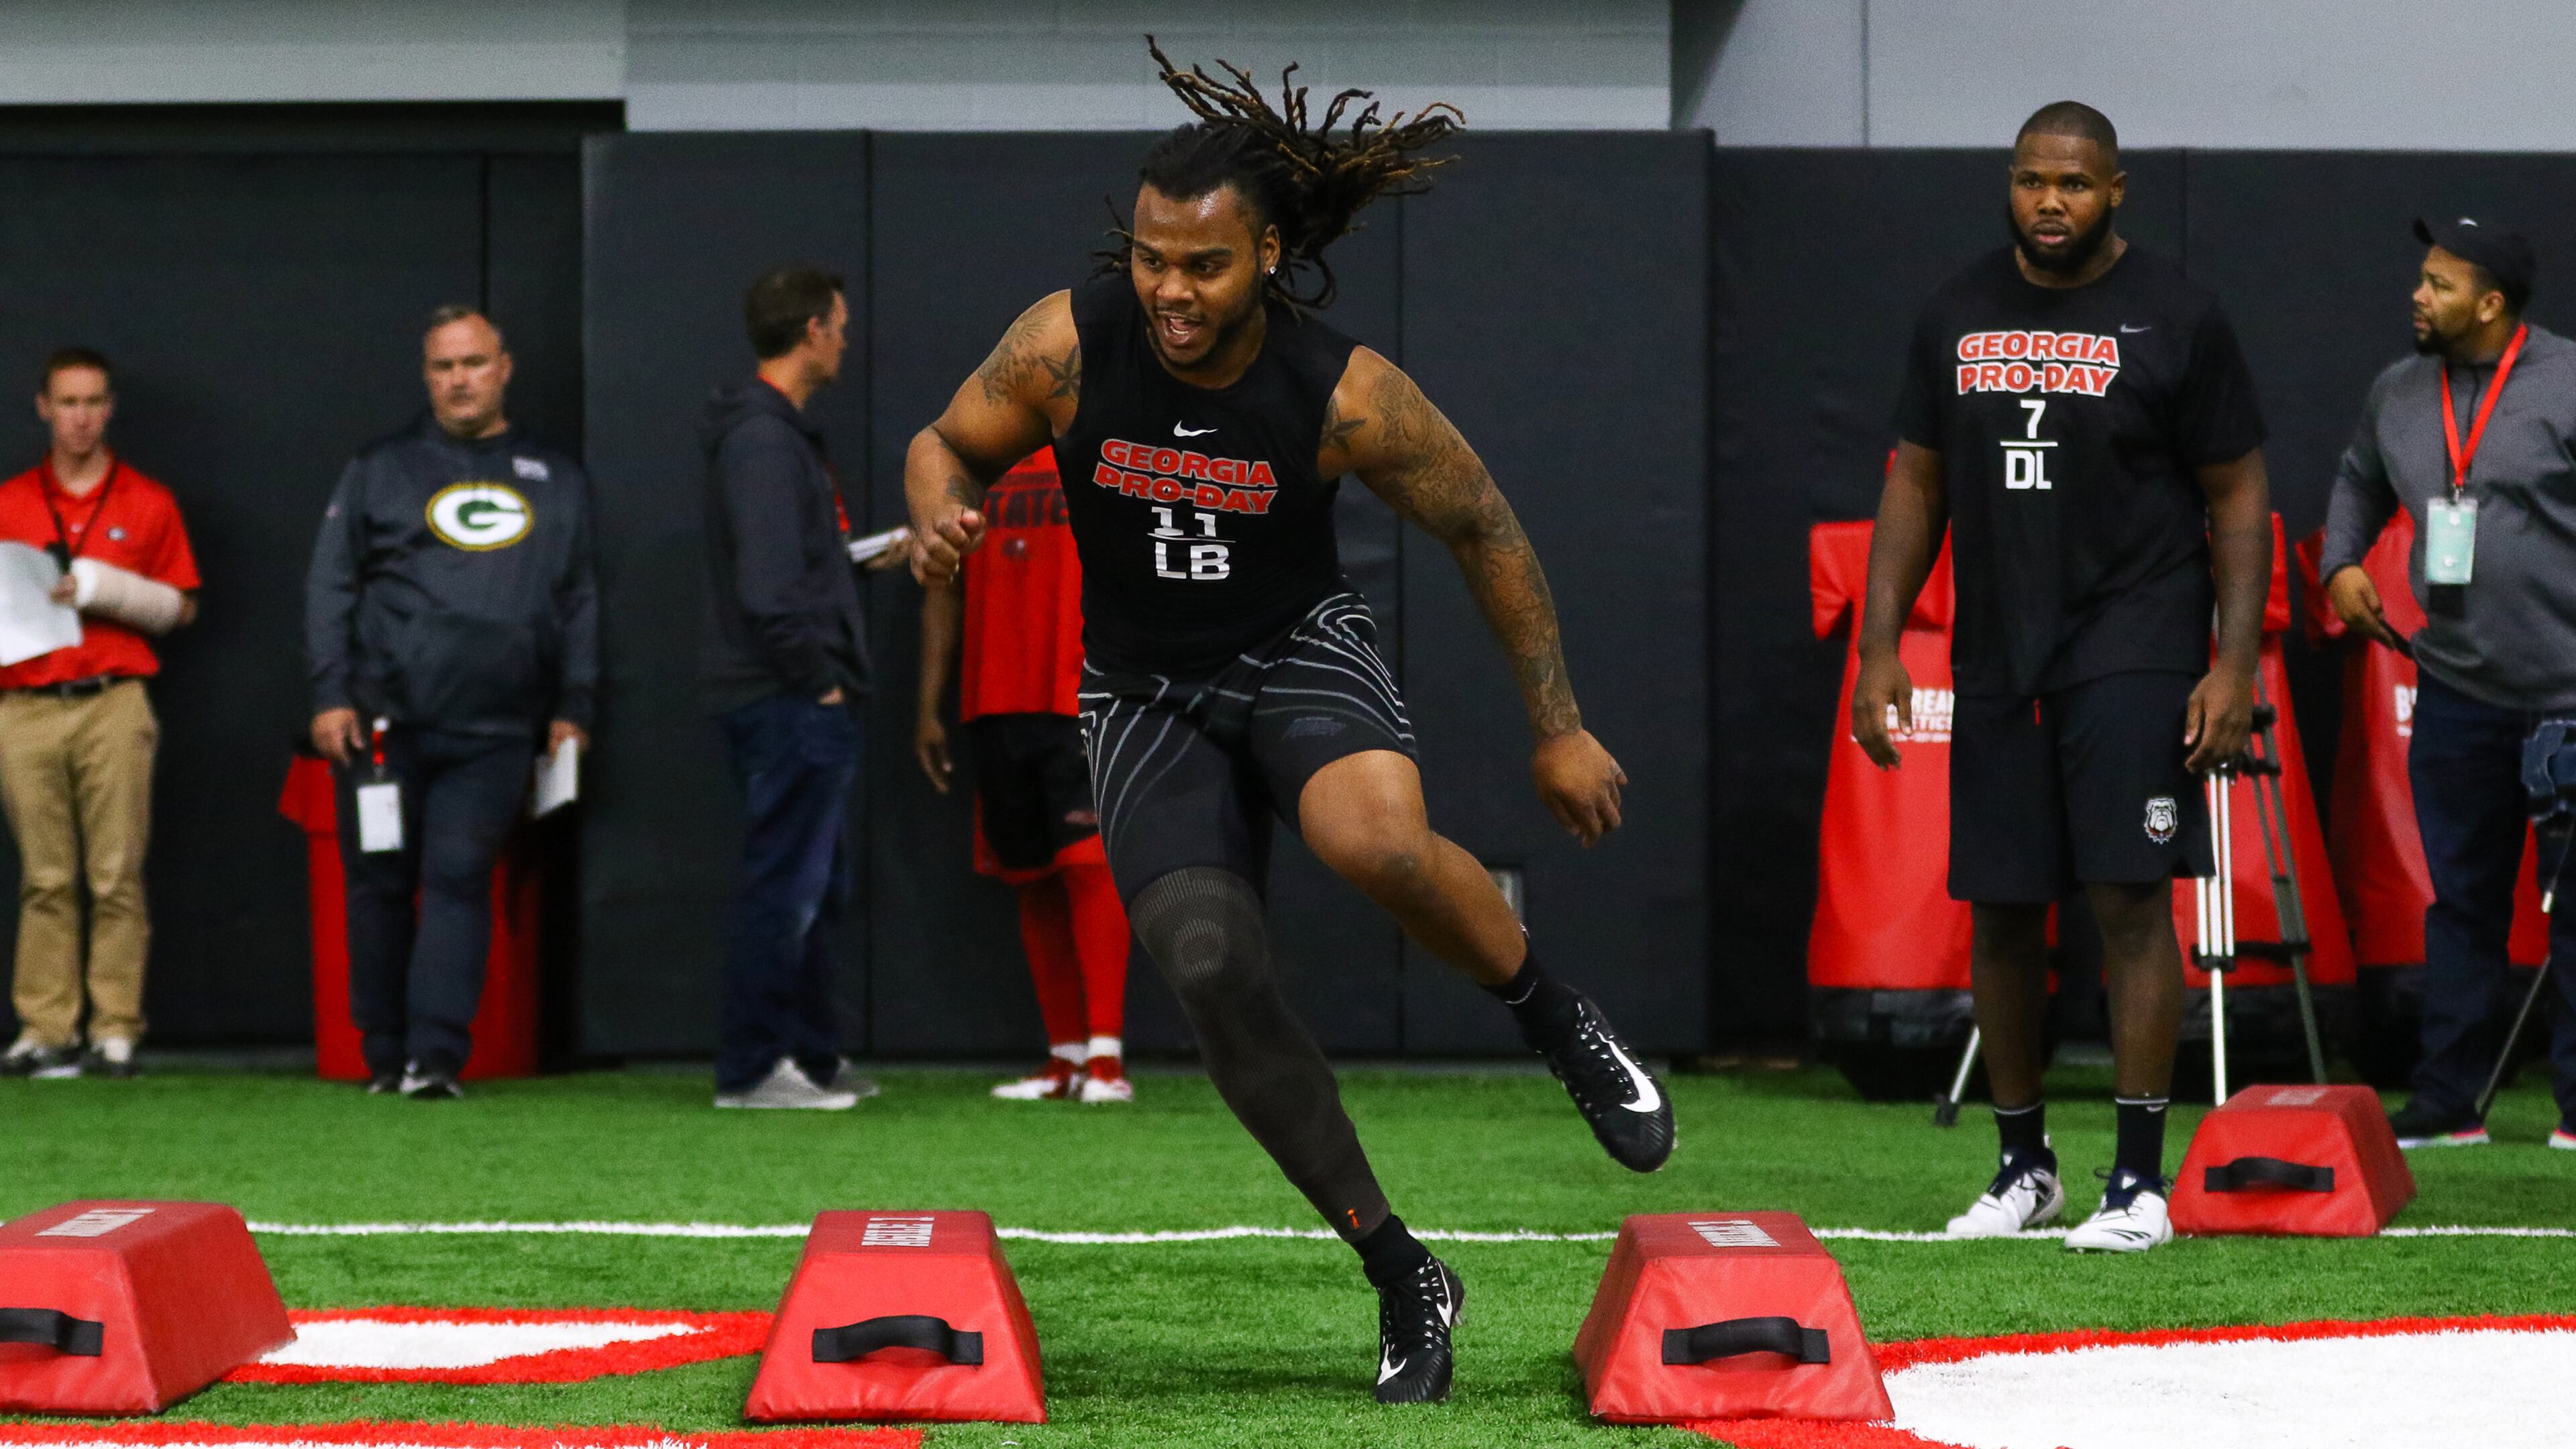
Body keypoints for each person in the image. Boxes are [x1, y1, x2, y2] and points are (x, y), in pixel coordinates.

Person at [904, 45, 1669, 1405]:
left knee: (1375, 842)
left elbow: (1484, 524)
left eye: (1201, 267)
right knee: (1205, 964)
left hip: (1292, 651)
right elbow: (947, 442)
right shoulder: (1069, 347)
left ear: (1266, 254)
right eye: (1150, 260)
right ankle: (1399, 1270)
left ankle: (1557, 1021)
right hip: (1141, 687)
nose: (1170, 293)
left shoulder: (1346, 392)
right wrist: (934, 508)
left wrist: (1557, 724)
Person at [1856, 102, 2272, 1252]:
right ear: (2009, 184)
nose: (2051, 202)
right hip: (2000, 649)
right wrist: (1881, 644)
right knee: (2000, 910)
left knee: (2130, 903)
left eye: (2076, 185)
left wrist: (2230, 665)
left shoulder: (2178, 313)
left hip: (2134, 643)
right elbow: (1916, 483)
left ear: (2117, 191)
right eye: (2034, 181)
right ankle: (2023, 1167)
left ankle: (2137, 1183)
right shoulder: (1958, 308)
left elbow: (2239, 495)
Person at [2322, 217, 2576, 1151]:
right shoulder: (2398, 389)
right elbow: (2357, 479)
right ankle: (2447, 1101)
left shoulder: (2568, 382)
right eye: (2421, 277)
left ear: (2492, 304)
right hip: (2459, 693)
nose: (2418, 296)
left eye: (2439, 283)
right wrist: (2342, 560)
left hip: (2570, 697)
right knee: (2461, 901)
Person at [305, 307, 596, 1102]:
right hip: (383, 725)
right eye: (443, 367)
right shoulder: (380, 468)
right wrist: (330, 693)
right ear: (426, 375)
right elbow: (330, 585)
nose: (459, 379)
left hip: (497, 729)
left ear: (505, 367)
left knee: (462, 879)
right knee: (379, 886)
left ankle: (435, 1060)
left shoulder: (555, 476)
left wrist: (574, 705)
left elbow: (578, 599)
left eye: (473, 362)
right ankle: (382, 1054)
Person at [704, 265, 891, 1112]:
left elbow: (787, 573)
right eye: (840, 324)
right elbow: (768, 591)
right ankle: (751, 1069)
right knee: (786, 884)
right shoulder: (762, 440)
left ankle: (812, 1056)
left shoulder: (775, 437)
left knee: (818, 885)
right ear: (812, 330)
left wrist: (856, 562)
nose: (847, 338)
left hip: (792, 691)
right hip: (786, 698)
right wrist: (818, 683)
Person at [0, 349, 200, 1081]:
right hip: (24, 704)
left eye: (92, 403)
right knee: (46, 877)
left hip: (113, 701)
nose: (80, 417)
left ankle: (115, 1027)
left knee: (116, 874)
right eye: (67, 403)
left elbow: (181, 607)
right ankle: (45, 1027)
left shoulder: (148, 501)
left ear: (110, 408)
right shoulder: (10, 502)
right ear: (43, 409)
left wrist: (108, 589)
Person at [914, 451, 1135, 1104]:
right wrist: (928, 706)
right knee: (1030, 875)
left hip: (1082, 690)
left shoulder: (1105, 442)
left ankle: (1106, 1060)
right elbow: (943, 585)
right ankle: (1064, 1060)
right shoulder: (966, 463)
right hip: (994, 694)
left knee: (1091, 865)